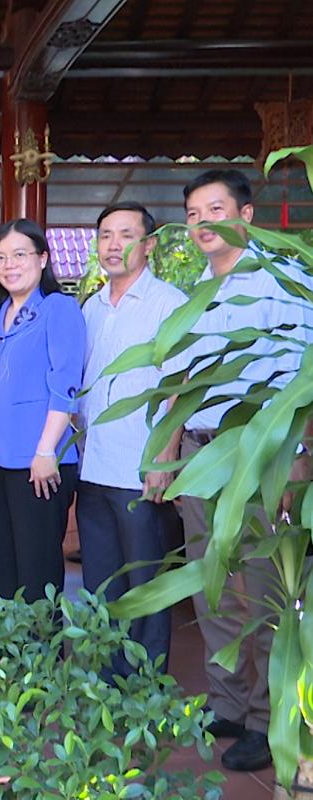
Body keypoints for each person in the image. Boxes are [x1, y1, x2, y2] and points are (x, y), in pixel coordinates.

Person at [174, 169, 313, 772]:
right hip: (201, 455)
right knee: (212, 585)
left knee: (263, 590)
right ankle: (227, 702)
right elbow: (183, 382)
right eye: (193, 214)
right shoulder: (197, 292)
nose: (203, 222)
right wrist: (170, 458)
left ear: (246, 215)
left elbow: (304, 376)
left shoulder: (285, 282)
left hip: (262, 457)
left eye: (215, 209)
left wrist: (298, 458)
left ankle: (264, 718)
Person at [77, 202, 185, 676]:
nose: (113, 244)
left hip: (140, 469)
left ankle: (145, 688)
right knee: (101, 584)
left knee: (145, 586)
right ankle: (105, 683)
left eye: (125, 234)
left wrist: (165, 456)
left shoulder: (168, 304)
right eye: (105, 235)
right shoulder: (91, 308)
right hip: (93, 467)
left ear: (150, 244)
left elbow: (181, 386)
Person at [0, 218, 85, 603]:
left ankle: (41, 647)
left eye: (19, 255)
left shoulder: (58, 308)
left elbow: (66, 383)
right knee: (3, 568)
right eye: (0, 257)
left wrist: (46, 450)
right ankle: (8, 644)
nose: (9, 265)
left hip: (41, 460)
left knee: (37, 574)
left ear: (43, 258)